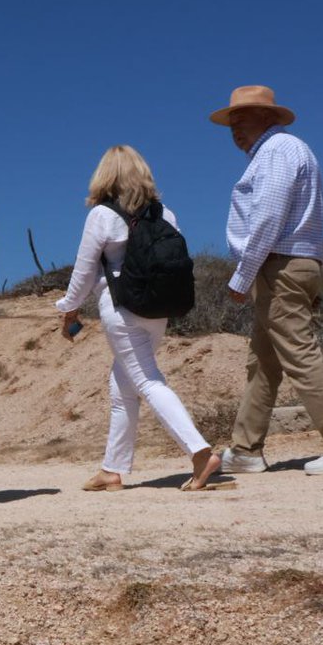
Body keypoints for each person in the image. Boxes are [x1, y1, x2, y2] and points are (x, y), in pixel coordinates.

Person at [210, 85, 323, 475]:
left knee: (298, 354)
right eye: (231, 120)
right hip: (289, 264)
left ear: (268, 117)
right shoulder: (281, 151)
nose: (234, 126)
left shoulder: (277, 151)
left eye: (243, 116)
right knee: (264, 361)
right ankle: (246, 450)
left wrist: (243, 273)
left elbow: (269, 216)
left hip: (279, 265)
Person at [57, 146, 221, 492]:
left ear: (105, 176)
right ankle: (112, 469)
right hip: (158, 311)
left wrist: (68, 309)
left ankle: (200, 453)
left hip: (122, 310)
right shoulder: (165, 215)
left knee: (147, 381)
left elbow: (84, 270)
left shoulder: (102, 215)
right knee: (122, 386)